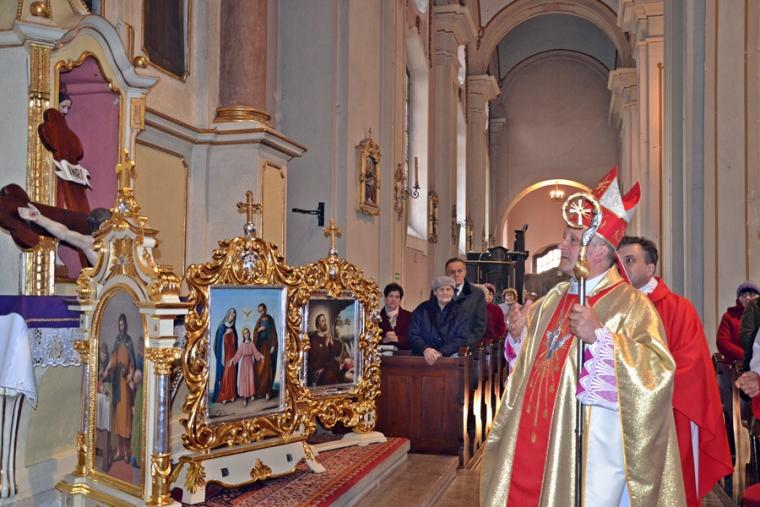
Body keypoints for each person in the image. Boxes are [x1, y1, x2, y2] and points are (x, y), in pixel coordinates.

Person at [480, 167, 685, 506]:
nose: (562, 245)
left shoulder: (632, 304)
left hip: (594, 450)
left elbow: (658, 372)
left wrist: (601, 338)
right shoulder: (554, 299)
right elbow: (533, 362)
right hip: (540, 435)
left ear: (600, 251)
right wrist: (518, 336)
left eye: (572, 240)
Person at [618, 235, 732, 506]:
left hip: (667, 413)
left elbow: (690, 366)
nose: (622, 267)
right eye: (618, 262)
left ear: (650, 268)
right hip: (619, 411)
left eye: (630, 260)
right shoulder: (613, 307)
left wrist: (642, 388)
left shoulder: (679, 309)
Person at [17, 203, 111, 265]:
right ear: (95, 232)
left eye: (110, 227)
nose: (108, 232)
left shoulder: (118, 240)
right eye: (104, 228)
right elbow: (64, 233)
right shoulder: (90, 244)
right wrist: (39, 218)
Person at [408, 276, 468, 365]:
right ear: (435, 292)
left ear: (453, 292)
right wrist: (425, 349)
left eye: (448, 289)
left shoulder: (461, 312)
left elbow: (462, 337)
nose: (445, 293)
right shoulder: (422, 309)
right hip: (423, 358)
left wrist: (442, 352)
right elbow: (413, 333)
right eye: (441, 289)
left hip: (450, 359)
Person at [101, 313, 137, 463]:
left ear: (125, 325)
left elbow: (132, 363)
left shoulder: (129, 341)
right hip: (117, 384)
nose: (121, 327)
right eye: (119, 325)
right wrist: (107, 370)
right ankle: (118, 451)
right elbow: (113, 359)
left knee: (126, 419)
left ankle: (127, 452)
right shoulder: (117, 340)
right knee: (117, 420)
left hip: (125, 384)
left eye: (122, 324)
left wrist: (130, 375)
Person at [445, 258, 486, 347]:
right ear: (447, 274)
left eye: (459, 271)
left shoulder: (477, 294)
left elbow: (480, 326)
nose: (456, 274)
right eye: (452, 272)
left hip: (466, 346)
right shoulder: (438, 292)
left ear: (465, 272)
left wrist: (463, 343)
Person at [717, 281, 760, 362]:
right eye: (743, 295)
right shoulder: (729, 316)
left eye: (751, 294)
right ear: (738, 299)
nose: (747, 298)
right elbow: (722, 342)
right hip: (737, 364)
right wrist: (744, 355)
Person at [229, 327, 264, 406]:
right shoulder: (242, 345)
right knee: (244, 379)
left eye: (247, 332)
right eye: (245, 333)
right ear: (243, 335)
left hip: (250, 363)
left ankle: (251, 394)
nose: (246, 334)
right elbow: (238, 354)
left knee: (251, 378)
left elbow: (256, 352)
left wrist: (261, 356)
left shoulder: (251, 344)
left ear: (249, 334)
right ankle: (245, 397)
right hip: (244, 364)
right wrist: (232, 360)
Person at [307, 313, 344, 386]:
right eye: (322, 321)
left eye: (325, 320)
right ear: (318, 324)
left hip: (329, 367)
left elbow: (336, 353)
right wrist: (325, 345)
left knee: (342, 371)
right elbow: (317, 361)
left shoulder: (327, 337)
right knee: (329, 375)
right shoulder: (313, 339)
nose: (325, 323)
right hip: (318, 371)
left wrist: (331, 342)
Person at [253, 304, 278, 399]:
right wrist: (259, 330)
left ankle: (267, 391)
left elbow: (273, 333)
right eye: (259, 311)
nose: (261, 313)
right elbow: (254, 333)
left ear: (265, 309)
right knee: (259, 369)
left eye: (262, 310)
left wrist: (273, 346)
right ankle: (259, 391)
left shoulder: (270, 320)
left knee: (267, 369)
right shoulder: (258, 321)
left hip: (267, 347)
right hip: (259, 347)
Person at [213, 308, 238, 403]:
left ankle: (231, 394)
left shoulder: (233, 328)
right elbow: (218, 342)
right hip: (224, 355)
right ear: (228, 315)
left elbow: (235, 343)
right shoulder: (222, 327)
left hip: (232, 354)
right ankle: (224, 395)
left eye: (234, 316)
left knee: (232, 374)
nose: (232, 317)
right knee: (225, 374)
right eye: (231, 315)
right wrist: (225, 334)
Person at [379, 282, 412, 350]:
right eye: (391, 296)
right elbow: (370, 339)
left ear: (400, 300)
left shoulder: (409, 316)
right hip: (382, 355)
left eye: (397, 297)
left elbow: (414, 338)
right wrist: (383, 340)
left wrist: (398, 339)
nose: (393, 299)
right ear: (385, 298)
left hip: (403, 354)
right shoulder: (376, 317)